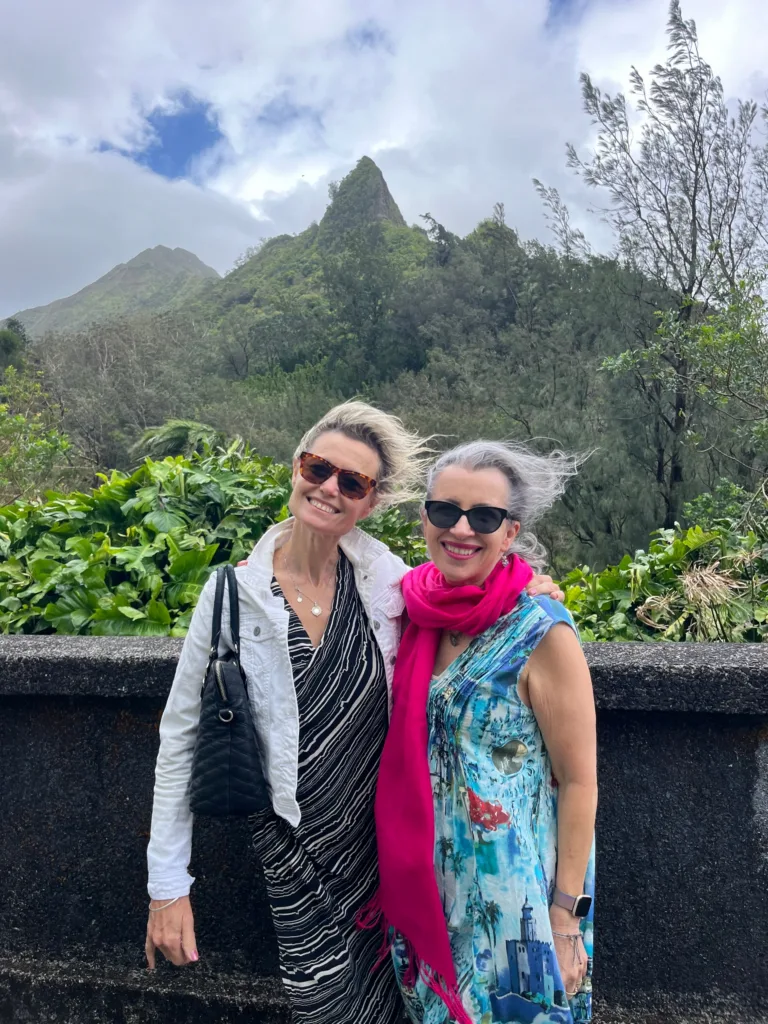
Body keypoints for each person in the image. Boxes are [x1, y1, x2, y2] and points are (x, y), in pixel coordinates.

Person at [145, 403, 564, 1024]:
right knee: (327, 1008)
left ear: (371, 502)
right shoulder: (231, 595)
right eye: (319, 468)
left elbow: (462, 584)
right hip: (297, 855)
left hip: (386, 847)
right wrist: (167, 890)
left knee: (409, 1005)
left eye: (352, 482)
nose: (329, 488)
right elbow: (179, 741)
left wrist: (524, 586)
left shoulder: (385, 582)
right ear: (296, 468)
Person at [369, 440, 597, 1024]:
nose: (461, 529)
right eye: (445, 511)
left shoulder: (540, 631)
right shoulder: (409, 607)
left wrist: (566, 920)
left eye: (485, 517)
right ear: (425, 519)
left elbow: (579, 782)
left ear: (510, 531)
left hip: (512, 900)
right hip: (427, 889)